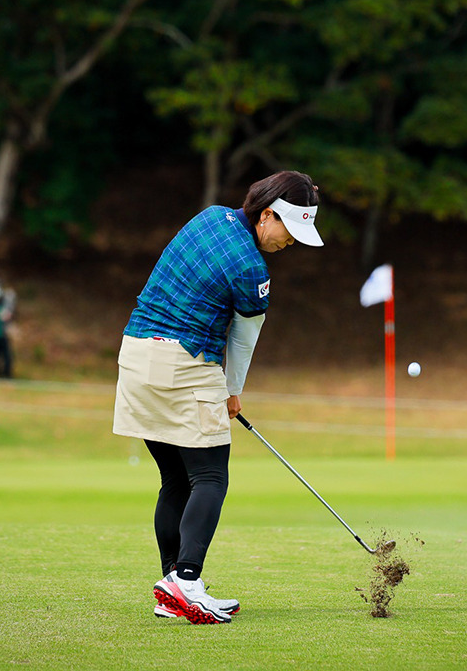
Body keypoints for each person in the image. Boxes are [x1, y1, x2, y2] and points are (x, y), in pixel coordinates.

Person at [113, 170, 323, 625]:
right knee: (210, 476)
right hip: (184, 364)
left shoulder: (209, 218)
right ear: (267, 215)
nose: (292, 243)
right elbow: (243, 343)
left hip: (134, 358)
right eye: (290, 232)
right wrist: (231, 393)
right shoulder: (253, 269)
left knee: (175, 479)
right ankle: (186, 581)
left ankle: (172, 587)